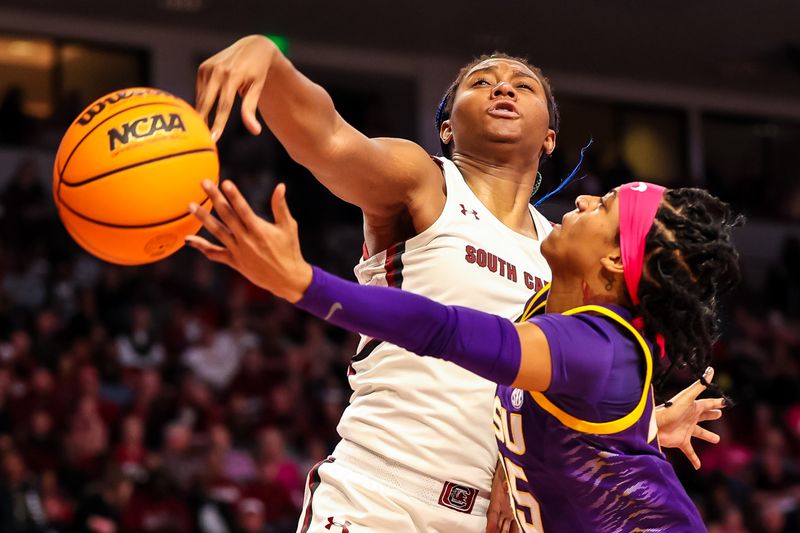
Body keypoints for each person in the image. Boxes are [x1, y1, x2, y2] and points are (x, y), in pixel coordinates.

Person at [195, 36, 726, 532]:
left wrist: (643, 427)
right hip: (380, 496)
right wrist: (270, 62)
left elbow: (565, 381)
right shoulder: (425, 181)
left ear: (549, 138)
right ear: (447, 127)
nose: (502, 87)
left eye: (524, 84)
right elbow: (329, 138)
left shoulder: (564, 251)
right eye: (480, 81)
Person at [186, 177, 739, 531]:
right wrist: (641, 426)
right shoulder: (555, 309)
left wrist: (301, 281)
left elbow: (441, 328)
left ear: (618, 261)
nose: (585, 199)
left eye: (606, 207)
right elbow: (588, 416)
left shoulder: (593, 349)